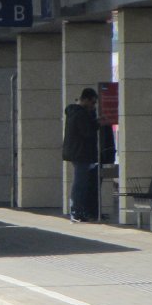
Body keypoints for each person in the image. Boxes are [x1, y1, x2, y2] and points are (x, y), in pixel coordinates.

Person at [63, 87, 100, 222]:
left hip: (77, 152)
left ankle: (78, 210)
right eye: (92, 103)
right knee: (80, 183)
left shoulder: (74, 112)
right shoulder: (80, 114)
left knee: (81, 183)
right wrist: (96, 123)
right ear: (85, 99)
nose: (93, 106)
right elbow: (87, 132)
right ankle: (76, 211)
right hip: (81, 153)